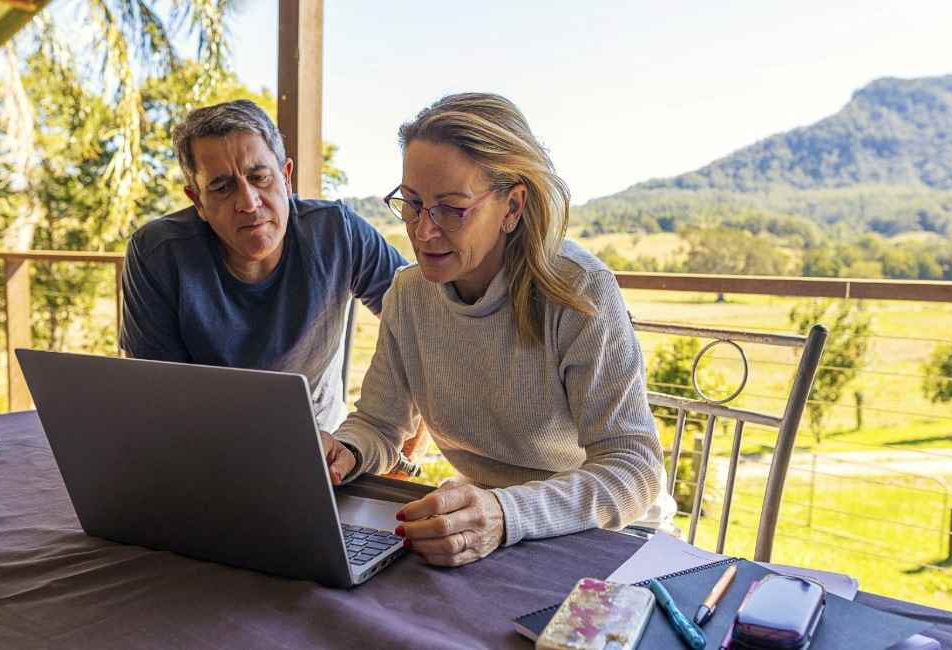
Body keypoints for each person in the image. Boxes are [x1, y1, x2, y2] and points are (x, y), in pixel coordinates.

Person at [322, 93, 666, 566]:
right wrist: (346, 450)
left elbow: (633, 470)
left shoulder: (578, 291)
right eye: (413, 204)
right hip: (484, 528)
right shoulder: (409, 293)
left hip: (604, 538)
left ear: (512, 207)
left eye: (452, 208)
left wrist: (506, 512)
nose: (422, 231)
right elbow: (380, 425)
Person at [120, 100, 407, 432]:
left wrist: (399, 424)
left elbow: (424, 321)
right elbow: (155, 394)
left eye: (259, 177)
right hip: (202, 443)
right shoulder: (156, 253)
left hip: (321, 444)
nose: (248, 203)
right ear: (197, 200)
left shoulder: (337, 231)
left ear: (286, 178)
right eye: (222, 187)